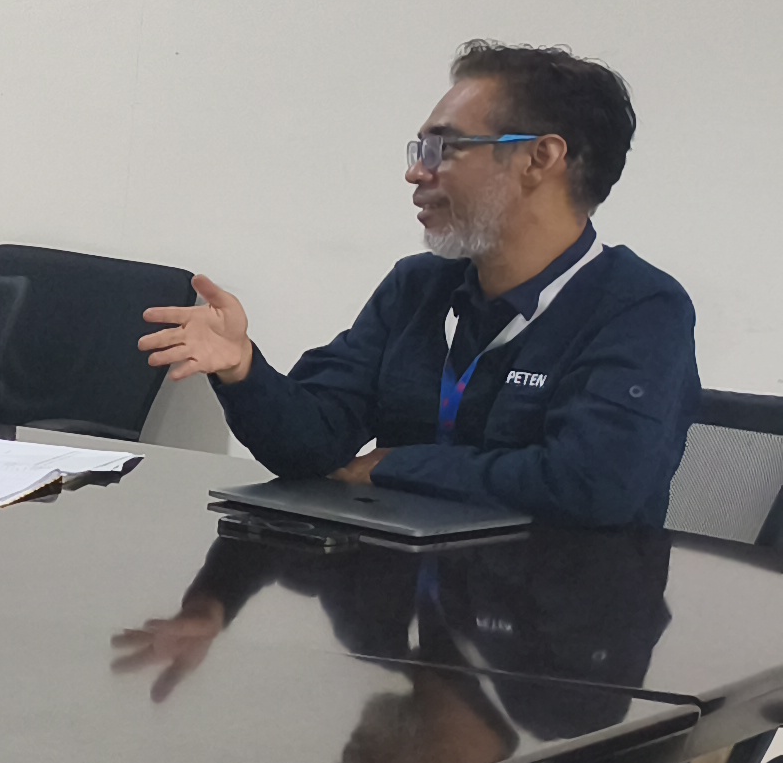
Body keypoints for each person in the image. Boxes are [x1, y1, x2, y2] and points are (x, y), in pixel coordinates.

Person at [138, 43, 697, 530]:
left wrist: (394, 464)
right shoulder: (419, 286)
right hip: (397, 590)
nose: (416, 172)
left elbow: (592, 485)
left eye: (443, 149)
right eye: (419, 150)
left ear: (539, 158)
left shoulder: (641, 309)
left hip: (556, 604)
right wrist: (243, 369)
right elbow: (313, 445)